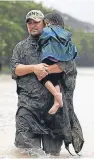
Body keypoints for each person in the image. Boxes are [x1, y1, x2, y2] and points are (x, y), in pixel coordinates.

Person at [10, 9, 84, 156]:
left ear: (45, 24)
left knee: (52, 154)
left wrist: (47, 70)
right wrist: (34, 68)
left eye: (36, 22)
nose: (33, 25)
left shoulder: (58, 44)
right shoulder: (21, 47)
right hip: (28, 109)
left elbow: (69, 66)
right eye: (29, 23)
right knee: (27, 153)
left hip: (54, 113)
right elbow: (14, 69)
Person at [38, 12, 77, 114]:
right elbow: (72, 50)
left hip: (50, 57)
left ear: (49, 22)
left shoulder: (48, 30)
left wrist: (40, 44)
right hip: (62, 60)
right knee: (55, 79)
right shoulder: (65, 34)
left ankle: (56, 94)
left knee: (41, 77)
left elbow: (43, 39)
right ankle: (56, 102)